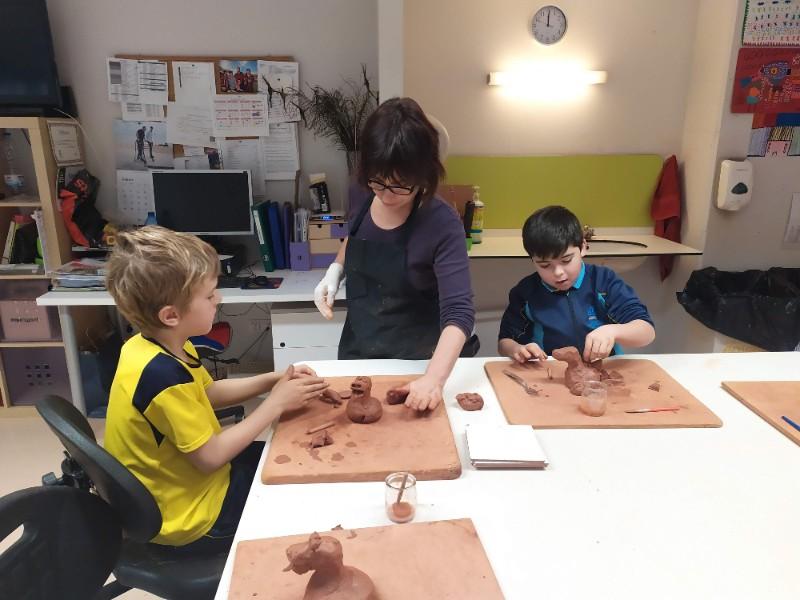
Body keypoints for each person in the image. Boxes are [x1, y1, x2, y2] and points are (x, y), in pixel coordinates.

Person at [104, 226, 328, 554]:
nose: (218, 299)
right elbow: (210, 457)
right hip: (193, 516)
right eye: (209, 295)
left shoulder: (155, 344)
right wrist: (274, 405)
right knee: (298, 492)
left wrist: (273, 379)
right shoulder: (161, 376)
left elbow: (208, 394)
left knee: (289, 455)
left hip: (190, 482)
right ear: (171, 315)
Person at [313, 97, 477, 412]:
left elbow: (459, 312)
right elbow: (356, 237)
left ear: (425, 174)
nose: (386, 195)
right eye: (378, 182)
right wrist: (335, 270)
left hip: (419, 365)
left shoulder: (442, 223)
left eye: (400, 185)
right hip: (360, 354)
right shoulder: (361, 192)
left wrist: (433, 379)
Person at [498, 205, 655, 364]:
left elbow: (646, 331)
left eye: (566, 260)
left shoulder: (603, 281)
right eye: (545, 265)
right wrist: (517, 349)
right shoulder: (526, 291)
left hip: (605, 367)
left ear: (583, 247)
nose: (558, 272)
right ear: (532, 260)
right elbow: (504, 342)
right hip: (551, 370)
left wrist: (613, 331)